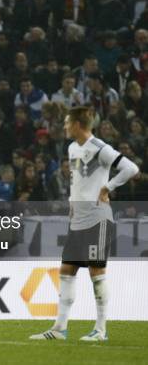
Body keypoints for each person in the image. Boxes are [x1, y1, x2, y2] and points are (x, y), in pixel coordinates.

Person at [30, 106, 139, 341]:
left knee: (96, 272)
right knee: (66, 271)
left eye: (68, 122)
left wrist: (107, 187)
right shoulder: (71, 147)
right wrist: (72, 201)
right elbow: (78, 180)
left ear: (79, 124)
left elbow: (131, 168)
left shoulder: (100, 148)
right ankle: (60, 329)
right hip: (78, 219)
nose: (65, 126)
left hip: (97, 218)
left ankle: (100, 330)